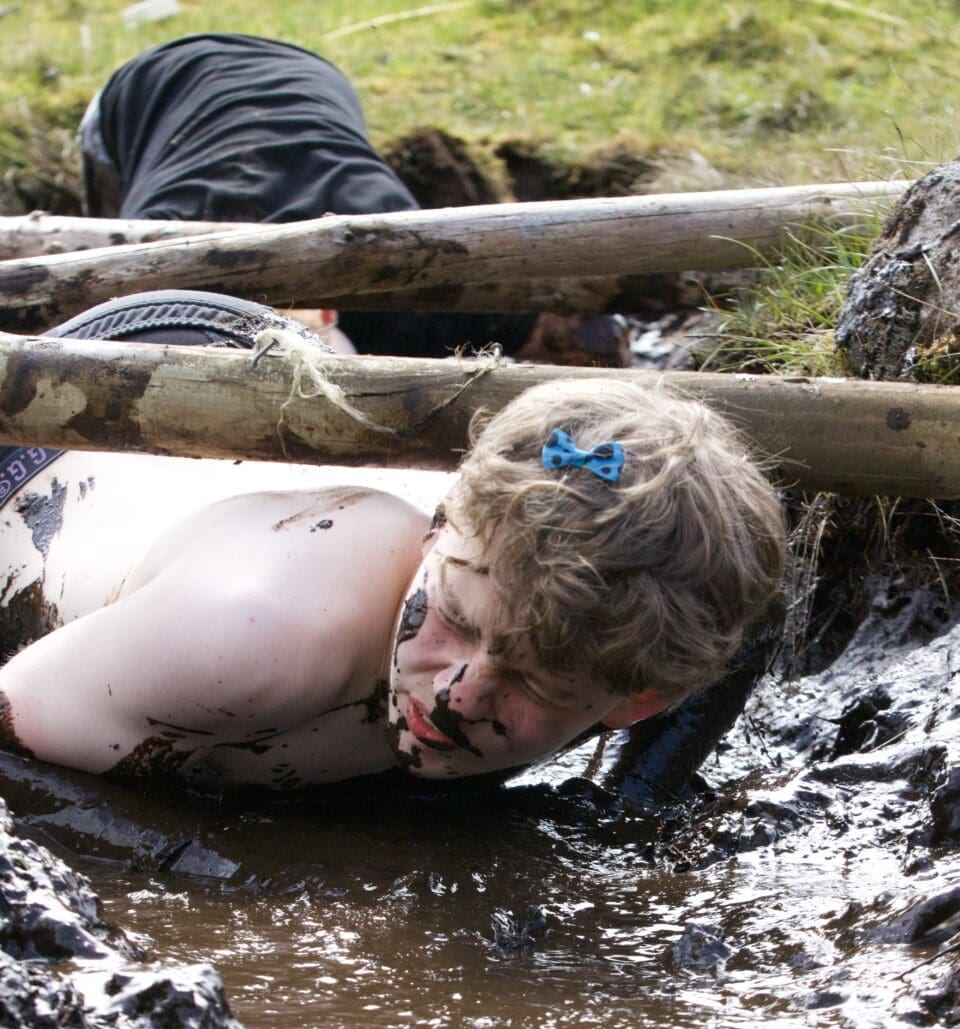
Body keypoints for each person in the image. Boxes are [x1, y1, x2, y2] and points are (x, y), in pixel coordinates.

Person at [0, 289, 785, 797]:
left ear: (637, 701)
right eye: (455, 619)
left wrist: (634, 807)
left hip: (296, 407)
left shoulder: (645, 636)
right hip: (79, 422)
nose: (458, 697)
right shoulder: (256, 634)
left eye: (535, 684)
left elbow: (738, 638)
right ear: (440, 526)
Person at [78, 32, 630, 367]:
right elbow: (86, 310)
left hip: (296, 76)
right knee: (95, 302)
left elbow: (578, 330)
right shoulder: (156, 273)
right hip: (154, 87)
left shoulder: (416, 283)